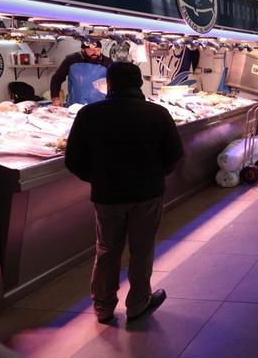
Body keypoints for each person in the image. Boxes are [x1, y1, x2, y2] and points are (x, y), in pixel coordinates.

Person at [65, 62, 183, 324]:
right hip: (147, 194)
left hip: (107, 195)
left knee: (107, 250)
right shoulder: (157, 113)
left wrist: (98, 178)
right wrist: (154, 175)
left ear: (109, 83)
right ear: (140, 83)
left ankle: (103, 307)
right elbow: (174, 154)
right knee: (142, 250)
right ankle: (138, 303)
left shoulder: (89, 114)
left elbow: (72, 159)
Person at [51, 40, 112, 106]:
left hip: (100, 105)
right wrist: (55, 97)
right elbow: (57, 78)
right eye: (91, 50)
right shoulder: (71, 60)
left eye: (98, 50)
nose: (95, 53)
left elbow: (115, 83)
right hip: (75, 105)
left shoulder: (107, 62)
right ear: (83, 50)